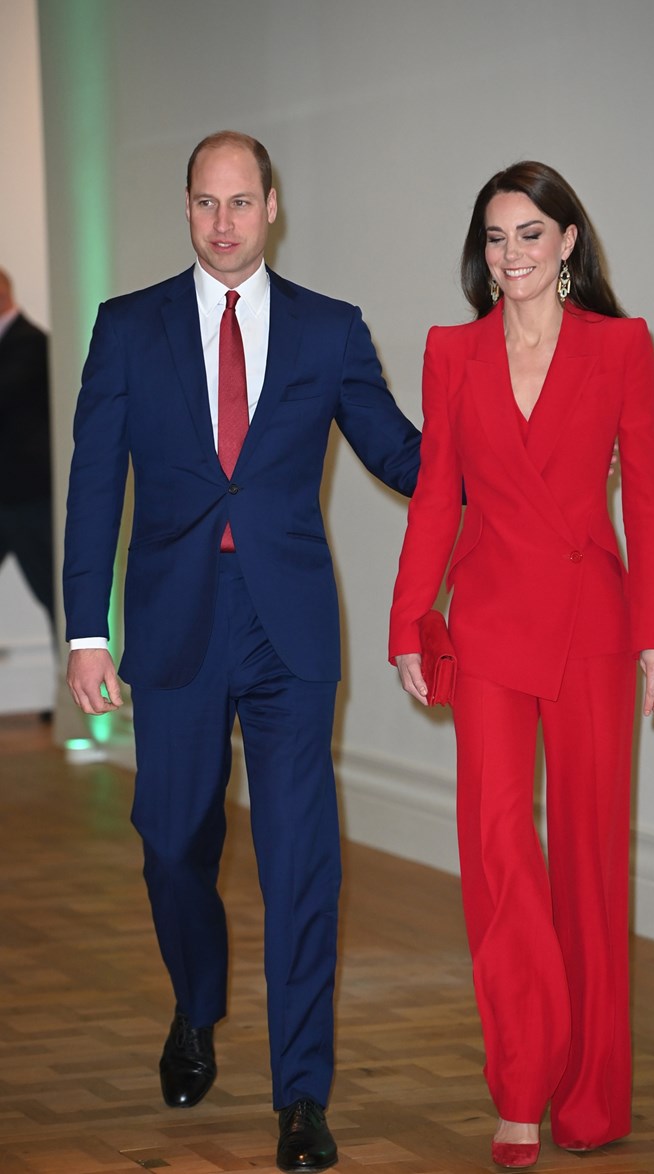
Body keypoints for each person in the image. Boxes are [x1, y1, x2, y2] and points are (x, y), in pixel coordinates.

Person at [64, 130, 420, 1174]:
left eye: (240, 202)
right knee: (172, 842)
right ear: (187, 210)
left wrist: (499, 435)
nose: (223, 222)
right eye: (204, 204)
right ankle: (196, 1002)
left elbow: (398, 451)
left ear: (272, 206)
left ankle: (301, 1093)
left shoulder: (327, 331)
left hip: (287, 625)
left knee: (300, 860)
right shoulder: (128, 329)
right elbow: (94, 486)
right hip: (173, 620)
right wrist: (89, 630)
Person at [389, 161, 654, 1169]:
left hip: (595, 625)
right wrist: (406, 617)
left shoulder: (619, 347)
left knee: (589, 864)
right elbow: (434, 495)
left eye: (527, 234)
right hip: (490, 627)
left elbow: (642, 492)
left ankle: (591, 1096)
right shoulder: (450, 352)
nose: (507, 255)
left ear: (565, 242)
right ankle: (520, 1085)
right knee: (498, 850)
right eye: (493, 237)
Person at [0, 269, 54, 633]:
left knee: (55, 594)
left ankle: (83, 685)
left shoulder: (31, 343)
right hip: (9, 498)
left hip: (28, 499)